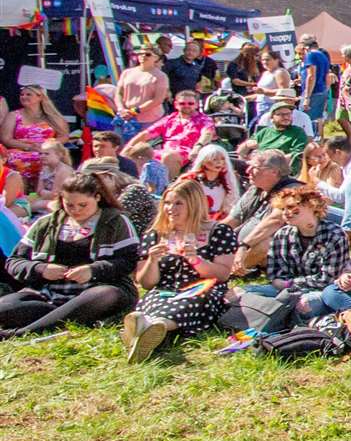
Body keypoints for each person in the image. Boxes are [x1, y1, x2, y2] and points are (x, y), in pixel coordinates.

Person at [0, 172, 141, 339]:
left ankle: (20, 333)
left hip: (95, 292)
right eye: (70, 205)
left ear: (97, 197)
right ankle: (68, 318)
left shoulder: (116, 222)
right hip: (48, 294)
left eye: (83, 205)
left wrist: (93, 270)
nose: (76, 210)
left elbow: (128, 261)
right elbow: (14, 262)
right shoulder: (46, 224)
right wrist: (41, 269)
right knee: (4, 306)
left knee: (107, 294)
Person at [127, 180, 240, 363]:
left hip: (203, 290)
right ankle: (147, 333)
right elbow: (147, 283)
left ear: (194, 204)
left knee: (190, 300)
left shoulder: (218, 232)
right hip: (165, 290)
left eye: (178, 203)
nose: (170, 208)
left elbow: (222, 274)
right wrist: (152, 261)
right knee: (155, 298)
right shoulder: (155, 235)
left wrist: (196, 260)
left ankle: (150, 328)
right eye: (167, 203)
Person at [240, 185, 350, 331]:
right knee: (245, 293)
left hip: (319, 292)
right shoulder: (283, 235)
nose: (286, 213)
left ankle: (277, 319)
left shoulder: (334, 235)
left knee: (305, 304)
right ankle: (276, 317)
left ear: (311, 206)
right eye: (283, 209)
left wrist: (289, 284)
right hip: (286, 291)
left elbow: (326, 279)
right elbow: (276, 273)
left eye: (291, 207)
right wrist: (285, 287)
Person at [131, 90, 216, 179]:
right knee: (139, 153)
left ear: (196, 105)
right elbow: (145, 134)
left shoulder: (204, 120)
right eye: (182, 103)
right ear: (176, 105)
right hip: (165, 151)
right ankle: (140, 185)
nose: (186, 106)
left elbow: (207, 133)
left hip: (189, 153)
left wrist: (198, 146)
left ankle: (165, 188)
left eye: (190, 103)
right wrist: (127, 150)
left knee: (169, 156)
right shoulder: (169, 119)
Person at [2, 83, 71, 187]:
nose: (24, 97)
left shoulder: (52, 116)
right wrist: (29, 147)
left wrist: (46, 146)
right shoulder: (14, 115)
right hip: (22, 149)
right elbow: (6, 138)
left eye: (28, 94)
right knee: (16, 159)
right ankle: (20, 191)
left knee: (49, 158)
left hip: (46, 150)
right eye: (22, 95)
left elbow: (64, 136)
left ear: (40, 97)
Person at [115, 47, 172, 138]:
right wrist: (121, 109)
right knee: (123, 148)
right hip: (125, 117)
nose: (143, 56)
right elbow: (119, 93)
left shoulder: (161, 76)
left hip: (149, 119)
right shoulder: (127, 72)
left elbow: (158, 99)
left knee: (146, 148)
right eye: (140, 54)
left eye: (148, 54)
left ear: (156, 58)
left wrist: (134, 111)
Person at [183, 144, 241, 222]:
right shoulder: (190, 180)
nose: (219, 162)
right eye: (214, 159)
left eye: (222, 159)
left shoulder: (226, 182)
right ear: (203, 161)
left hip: (214, 222)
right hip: (192, 220)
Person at [250, 101, 309, 173]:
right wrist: (246, 145)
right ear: (272, 117)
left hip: (278, 170)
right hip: (256, 164)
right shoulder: (264, 131)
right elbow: (244, 150)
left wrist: (268, 163)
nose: (286, 117)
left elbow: (297, 154)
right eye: (281, 115)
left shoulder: (297, 132)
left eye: (288, 114)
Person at [298, 36, 333, 123]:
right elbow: (327, 74)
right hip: (321, 90)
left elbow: (311, 76)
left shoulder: (311, 55)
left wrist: (307, 97)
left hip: (313, 92)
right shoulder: (323, 55)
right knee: (316, 120)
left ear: (305, 47)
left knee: (305, 119)